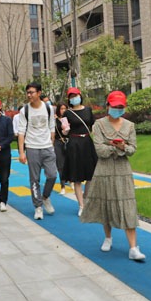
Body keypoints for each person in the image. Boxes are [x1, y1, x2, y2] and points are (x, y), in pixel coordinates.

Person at [81, 91, 145, 262]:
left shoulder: (129, 126)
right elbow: (100, 151)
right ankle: (108, 237)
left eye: (120, 107)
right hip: (104, 170)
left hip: (123, 170)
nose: (117, 109)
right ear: (108, 106)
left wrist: (122, 147)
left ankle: (133, 247)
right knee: (106, 203)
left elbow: (132, 149)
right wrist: (118, 148)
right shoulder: (99, 125)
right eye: (115, 106)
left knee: (128, 205)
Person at [16, 82, 57, 220]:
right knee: (35, 180)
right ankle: (38, 207)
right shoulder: (24, 110)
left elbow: (52, 126)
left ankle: (45, 197)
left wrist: (51, 141)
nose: (29, 95)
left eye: (32, 92)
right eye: (27, 92)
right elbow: (21, 132)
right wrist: (22, 152)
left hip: (47, 147)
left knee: (52, 175)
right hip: (32, 148)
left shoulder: (48, 108)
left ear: (39, 93)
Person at [62, 87, 98, 216]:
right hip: (74, 144)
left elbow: (93, 126)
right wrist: (65, 130)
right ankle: (81, 205)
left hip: (87, 143)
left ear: (80, 96)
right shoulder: (67, 113)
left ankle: (86, 197)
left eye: (75, 96)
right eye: (71, 97)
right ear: (69, 99)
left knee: (91, 174)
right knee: (76, 176)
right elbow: (64, 129)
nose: (74, 98)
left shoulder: (88, 110)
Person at [53, 102, 70, 195]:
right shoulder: (54, 120)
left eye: (65, 108)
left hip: (68, 142)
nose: (63, 110)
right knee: (60, 165)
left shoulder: (69, 118)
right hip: (58, 142)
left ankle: (72, 182)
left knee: (71, 162)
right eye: (61, 108)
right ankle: (63, 186)